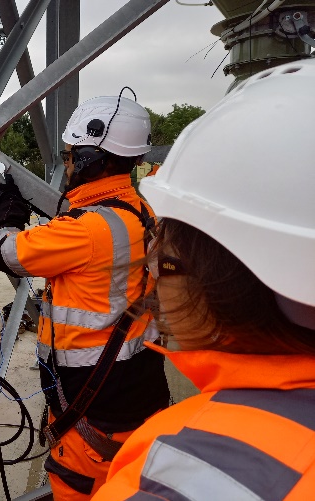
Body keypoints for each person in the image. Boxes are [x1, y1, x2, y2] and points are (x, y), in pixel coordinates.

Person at [93, 60, 315, 500]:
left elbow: (12, 254)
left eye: (167, 256)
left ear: (228, 281)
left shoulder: (187, 471)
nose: (152, 272)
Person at [0, 93, 170, 500]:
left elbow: (6, 253)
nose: (67, 164)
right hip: (139, 388)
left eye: (71, 156)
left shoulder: (85, 230)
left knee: (78, 488)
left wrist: (9, 211)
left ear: (90, 158)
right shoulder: (140, 210)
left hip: (94, 407)